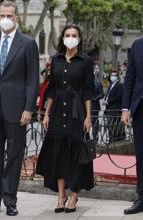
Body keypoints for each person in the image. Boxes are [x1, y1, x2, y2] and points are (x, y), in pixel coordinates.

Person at [0, 1, 39, 216]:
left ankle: (10, 199)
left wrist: (29, 108)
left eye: (9, 15)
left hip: (17, 107)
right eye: (2, 15)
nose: (5, 19)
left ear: (16, 18)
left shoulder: (28, 44)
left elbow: (32, 80)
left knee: (14, 155)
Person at [36, 24, 95, 213]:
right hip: (57, 112)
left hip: (76, 112)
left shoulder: (86, 61)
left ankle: (74, 196)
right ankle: (61, 196)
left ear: (79, 38)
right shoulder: (56, 59)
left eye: (74, 35)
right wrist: (46, 113)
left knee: (76, 154)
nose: (70, 37)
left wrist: (88, 117)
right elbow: (51, 89)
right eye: (67, 34)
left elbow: (87, 90)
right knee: (58, 154)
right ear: (62, 38)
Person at [121, 38, 143, 214]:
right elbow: (130, 79)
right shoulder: (137, 45)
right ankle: (141, 198)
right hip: (140, 109)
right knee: (141, 155)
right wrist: (125, 109)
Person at [102, 71, 123, 142]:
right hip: (109, 108)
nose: (112, 77)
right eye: (111, 75)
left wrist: (108, 102)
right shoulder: (111, 84)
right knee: (109, 125)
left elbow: (118, 96)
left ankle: (114, 140)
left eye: (114, 75)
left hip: (114, 108)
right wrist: (105, 100)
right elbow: (108, 95)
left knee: (114, 125)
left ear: (117, 77)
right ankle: (111, 139)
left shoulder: (119, 85)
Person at [91, 63, 104, 141]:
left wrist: (95, 98)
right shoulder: (84, 83)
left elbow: (101, 94)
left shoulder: (98, 83)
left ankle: (95, 139)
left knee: (95, 124)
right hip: (85, 107)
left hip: (95, 107)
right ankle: (86, 138)